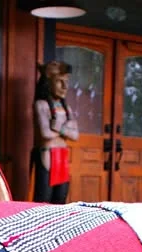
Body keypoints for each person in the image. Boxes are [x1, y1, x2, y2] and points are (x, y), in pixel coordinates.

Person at [32, 61, 79, 203]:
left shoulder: (67, 108)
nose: (65, 86)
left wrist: (58, 127)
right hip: (47, 155)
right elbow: (45, 133)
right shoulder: (41, 105)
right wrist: (66, 129)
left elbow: (75, 135)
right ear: (48, 83)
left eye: (66, 81)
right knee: (43, 198)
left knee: (60, 198)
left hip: (62, 156)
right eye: (59, 81)